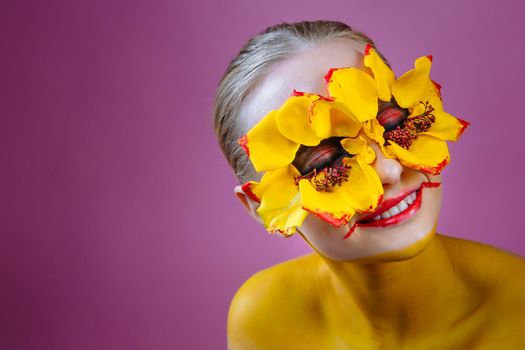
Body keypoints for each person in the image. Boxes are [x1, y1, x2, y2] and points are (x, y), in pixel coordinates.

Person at [214, 20, 525, 349]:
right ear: (261, 208)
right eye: (323, 160)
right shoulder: (265, 320)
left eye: (392, 123)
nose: (389, 170)